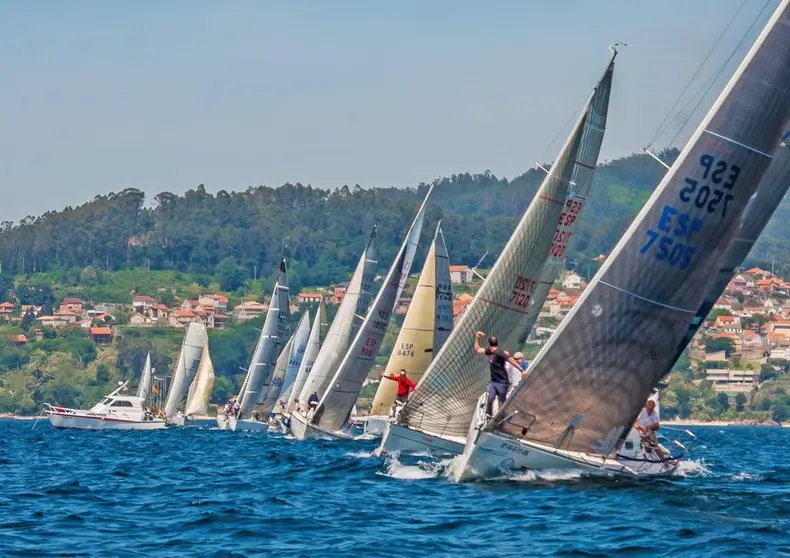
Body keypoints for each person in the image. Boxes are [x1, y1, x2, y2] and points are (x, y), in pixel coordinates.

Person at [474, 331, 523, 416]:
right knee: (490, 398)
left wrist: (521, 370)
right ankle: (488, 415)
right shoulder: (489, 351)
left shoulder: (500, 352)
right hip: (493, 382)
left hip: (502, 382)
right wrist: (477, 338)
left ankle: (502, 417)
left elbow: (510, 360)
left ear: (489, 344)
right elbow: (478, 349)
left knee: (502, 402)